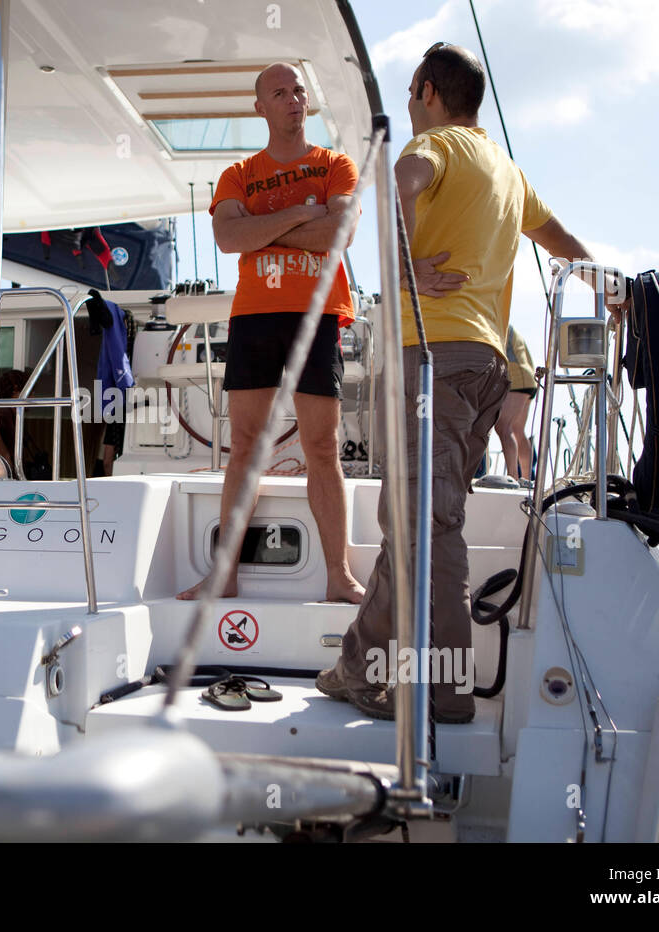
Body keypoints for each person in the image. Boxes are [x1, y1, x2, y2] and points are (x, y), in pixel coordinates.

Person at [315, 43, 611, 722]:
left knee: (426, 527)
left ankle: (443, 692)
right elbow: (560, 238)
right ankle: (358, 669)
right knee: (413, 522)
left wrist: (406, 270)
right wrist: (607, 288)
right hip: (484, 365)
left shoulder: (439, 145)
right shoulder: (507, 170)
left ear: (424, 92)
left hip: (434, 357)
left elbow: (398, 184)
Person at [176, 61, 368, 603]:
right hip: (254, 317)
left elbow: (341, 232)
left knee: (323, 448)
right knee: (244, 449)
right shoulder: (238, 173)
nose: (292, 100)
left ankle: (338, 577)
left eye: (298, 91)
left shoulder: (335, 164)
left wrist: (262, 226)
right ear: (260, 107)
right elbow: (227, 238)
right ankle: (224, 574)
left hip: (317, 315)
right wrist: (303, 216)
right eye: (279, 93)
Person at [495, 324, 537, 482]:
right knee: (518, 430)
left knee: (503, 426)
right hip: (528, 379)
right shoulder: (510, 327)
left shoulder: (499, 322)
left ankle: (512, 476)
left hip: (516, 378)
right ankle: (527, 479)